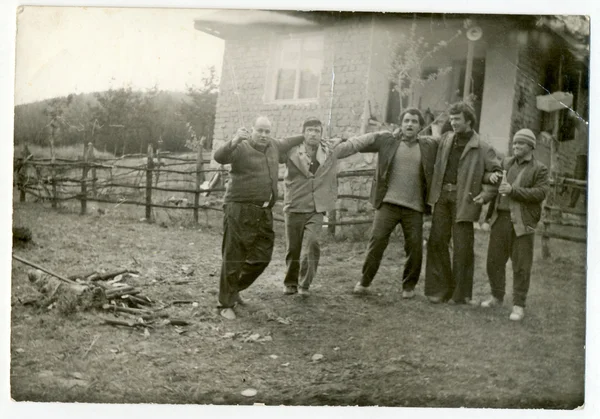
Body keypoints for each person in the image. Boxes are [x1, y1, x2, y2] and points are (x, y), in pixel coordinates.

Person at [213, 116, 304, 320]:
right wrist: (234, 140)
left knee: (263, 256)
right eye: (260, 131)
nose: (263, 135)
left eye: (267, 131)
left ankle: (234, 287)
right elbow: (219, 156)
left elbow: (289, 141)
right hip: (238, 208)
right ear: (252, 130)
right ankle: (224, 303)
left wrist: (306, 135)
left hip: (263, 211)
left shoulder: (273, 145)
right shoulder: (240, 147)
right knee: (234, 255)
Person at [281, 117, 379, 296]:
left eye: (317, 130)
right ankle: (290, 282)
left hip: (316, 208)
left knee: (312, 244)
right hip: (295, 205)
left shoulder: (330, 151)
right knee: (293, 248)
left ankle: (304, 284)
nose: (313, 133)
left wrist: (377, 134)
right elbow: (273, 150)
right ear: (303, 133)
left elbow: (354, 144)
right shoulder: (291, 150)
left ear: (321, 134)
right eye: (309, 130)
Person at [348, 108, 438, 297]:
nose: (410, 124)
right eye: (406, 121)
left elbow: (445, 145)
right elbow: (361, 144)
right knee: (377, 241)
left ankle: (408, 287)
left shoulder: (429, 146)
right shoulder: (388, 141)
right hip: (388, 204)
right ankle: (364, 282)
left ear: (420, 126)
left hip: (414, 207)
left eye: (414, 121)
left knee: (414, 247)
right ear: (401, 124)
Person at [425, 102, 501, 305]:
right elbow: (428, 144)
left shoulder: (483, 147)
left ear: (469, 120)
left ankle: (461, 294)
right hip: (442, 197)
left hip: (465, 200)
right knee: (437, 241)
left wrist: (484, 196)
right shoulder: (446, 139)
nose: (453, 122)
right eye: (451, 119)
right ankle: (441, 290)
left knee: (463, 247)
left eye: (457, 119)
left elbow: (497, 175)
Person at [481, 128, 549, 321]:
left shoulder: (540, 169)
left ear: (530, 146)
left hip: (523, 222)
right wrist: (491, 183)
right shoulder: (506, 163)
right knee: (494, 261)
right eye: (515, 143)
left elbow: (540, 193)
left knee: (521, 265)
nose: (516, 146)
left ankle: (519, 305)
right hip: (500, 219)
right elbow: (494, 187)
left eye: (520, 143)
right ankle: (496, 296)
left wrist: (513, 190)